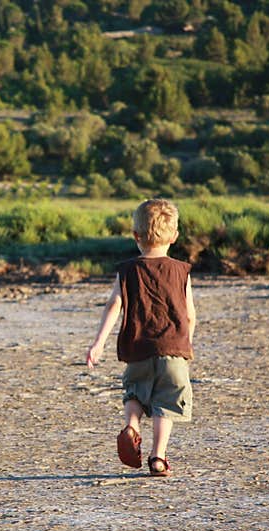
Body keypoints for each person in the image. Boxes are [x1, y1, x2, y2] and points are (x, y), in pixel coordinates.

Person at [86, 198, 196, 477]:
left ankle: (132, 425)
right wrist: (186, 343)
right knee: (166, 404)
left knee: (134, 392)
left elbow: (114, 305)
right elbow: (190, 314)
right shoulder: (181, 271)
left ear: (135, 235)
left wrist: (98, 342)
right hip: (173, 349)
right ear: (174, 236)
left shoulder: (127, 270)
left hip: (137, 348)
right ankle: (158, 458)